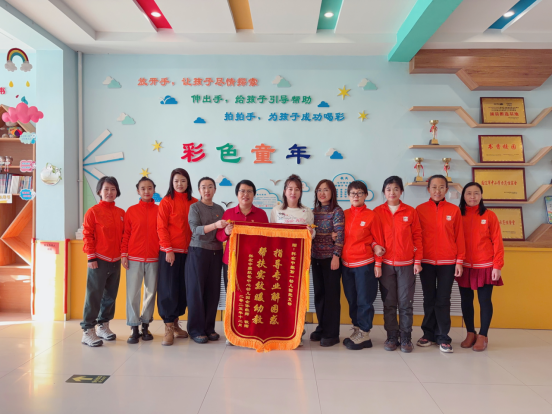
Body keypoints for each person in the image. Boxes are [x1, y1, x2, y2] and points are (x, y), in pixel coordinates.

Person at [416, 175, 465, 354]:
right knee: (429, 298)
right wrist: (417, 259)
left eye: (441, 187)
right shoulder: (419, 210)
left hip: (448, 262)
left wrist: (459, 261)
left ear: (446, 189)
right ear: (428, 189)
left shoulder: (454, 210)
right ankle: (428, 334)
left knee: (443, 299)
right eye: (434, 187)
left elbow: (459, 237)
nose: (437, 190)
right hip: (426, 262)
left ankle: (443, 336)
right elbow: (416, 236)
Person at [217, 180, 269, 346]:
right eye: (242, 191)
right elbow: (219, 237)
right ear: (237, 194)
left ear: (254, 194)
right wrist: (226, 232)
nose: (245, 194)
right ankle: (231, 332)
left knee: (254, 297)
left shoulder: (261, 214)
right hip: (231, 262)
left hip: (254, 264)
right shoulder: (228, 213)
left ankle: (251, 331)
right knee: (232, 297)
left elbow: (267, 239)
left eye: (249, 191)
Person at [374, 176, 423, 354]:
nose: (392, 192)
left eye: (396, 189)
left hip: (407, 265)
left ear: (401, 191)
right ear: (384, 192)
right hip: (386, 265)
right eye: (388, 189)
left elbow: (417, 237)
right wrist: (378, 263)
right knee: (389, 303)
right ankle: (392, 336)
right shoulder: (377, 212)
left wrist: (417, 261)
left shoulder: (410, 211)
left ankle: (406, 336)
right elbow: (374, 239)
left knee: (405, 303)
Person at [458, 182, 504, 352]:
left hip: (485, 265)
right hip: (464, 266)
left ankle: (483, 335)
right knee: (466, 301)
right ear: (463, 196)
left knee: (484, 301)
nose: (472, 196)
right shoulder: (458, 215)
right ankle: (470, 333)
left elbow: (497, 242)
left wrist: (497, 265)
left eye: (476, 193)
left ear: (481, 195)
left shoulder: (490, 215)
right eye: (469, 193)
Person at [270, 174, 315, 347]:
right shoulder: (276, 211)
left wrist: (311, 233)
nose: (293, 192)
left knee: (298, 294)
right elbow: (272, 234)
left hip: (300, 260)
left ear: (301, 192)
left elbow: (312, 233)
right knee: (280, 294)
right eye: (290, 188)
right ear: (284, 191)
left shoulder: (307, 211)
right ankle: (280, 327)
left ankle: (298, 329)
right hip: (280, 260)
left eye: (297, 189)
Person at [81, 176, 125, 347]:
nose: (109, 192)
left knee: (110, 296)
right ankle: (87, 331)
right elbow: (87, 235)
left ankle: (103, 326)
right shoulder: (93, 212)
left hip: (116, 260)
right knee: (94, 295)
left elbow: (125, 236)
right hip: (98, 260)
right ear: (100, 191)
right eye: (106, 189)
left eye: (113, 189)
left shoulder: (121, 213)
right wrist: (91, 256)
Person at [341, 181, 385, 351]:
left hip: (364, 264)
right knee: (352, 299)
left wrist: (378, 264)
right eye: (353, 193)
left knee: (364, 300)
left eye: (360, 193)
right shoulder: (344, 214)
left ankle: (365, 333)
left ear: (366, 195)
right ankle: (357, 329)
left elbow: (378, 241)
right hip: (347, 265)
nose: (356, 196)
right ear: (348, 196)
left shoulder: (372, 216)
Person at [157, 168, 198, 346]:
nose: (179, 184)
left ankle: (175, 324)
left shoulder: (195, 202)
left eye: (183, 181)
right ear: (171, 183)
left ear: (188, 182)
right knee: (168, 288)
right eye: (176, 181)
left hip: (189, 253)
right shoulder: (166, 202)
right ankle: (167, 327)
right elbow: (161, 227)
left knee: (182, 289)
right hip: (170, 252)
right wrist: (168, 249)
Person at [186, 177, 227, 344]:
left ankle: (209, 328)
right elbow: (195, 229)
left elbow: (223, 233)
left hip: (216, 252)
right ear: (199, 190)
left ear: (215, 190)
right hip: (198, 251)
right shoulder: (194, 207)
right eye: (203, 187)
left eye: (210, 187)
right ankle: (196, 330)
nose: (207, 190)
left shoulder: (220, 209)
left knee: (213, 291)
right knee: (196, 291)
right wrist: (216, 225)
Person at [121, 177, 159, 344]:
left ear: (154, 190)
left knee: (150, 293)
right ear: (138, 191)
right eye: (143, 188)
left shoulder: (160, 210)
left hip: (154, 258)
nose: (146, 191)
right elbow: (126, 234)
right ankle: (134, 327)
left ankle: (145, 325)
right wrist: (124, 254)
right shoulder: (131, 211)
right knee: (133, 293)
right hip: (134, 257)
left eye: (149, 188)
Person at [310, 179, 345, 348]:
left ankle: (332, 333)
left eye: (325, 190)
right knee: (319, 294)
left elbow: (340, 234)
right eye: (319, 190)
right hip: (315, 258)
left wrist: (336, 255)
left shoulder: (337, 211)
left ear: (332, 193)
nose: (322, 193)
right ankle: (322, 327)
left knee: (331, 296)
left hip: (331, 259)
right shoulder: (313, 212)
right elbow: (310, 234)